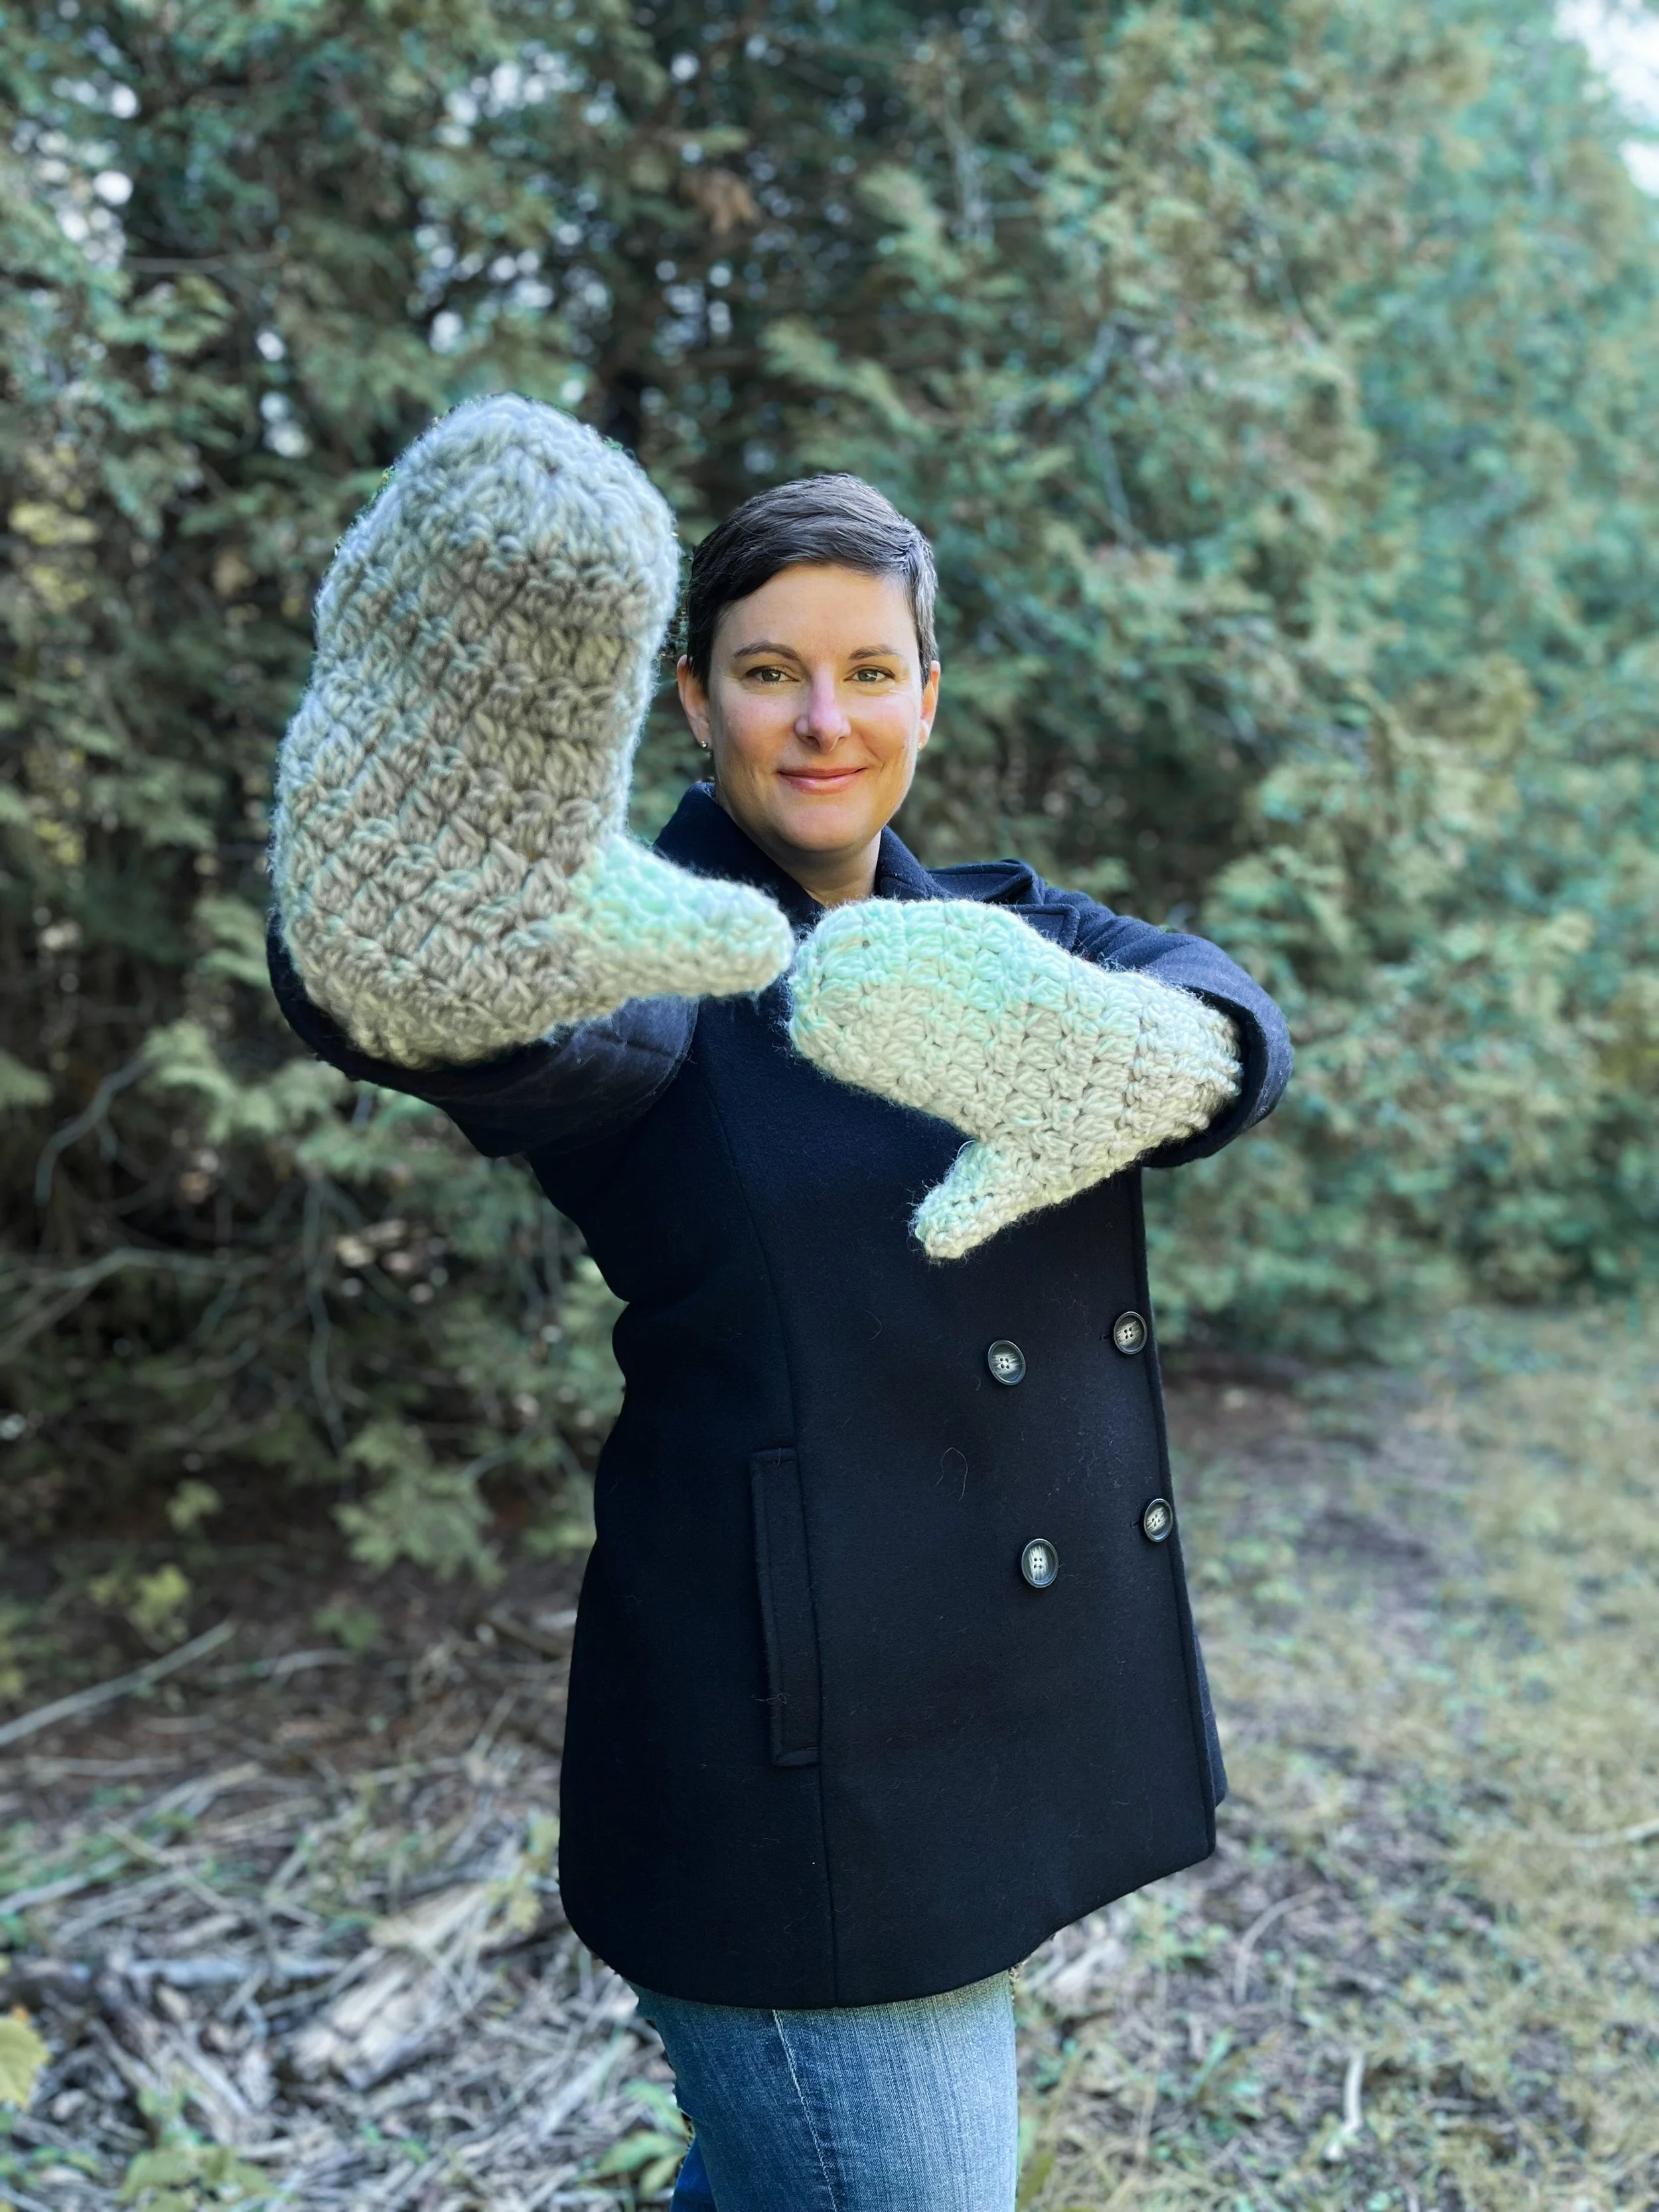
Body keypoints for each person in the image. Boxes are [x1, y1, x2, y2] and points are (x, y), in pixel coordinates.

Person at [266, 396, 1291, 2211]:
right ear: (689, 696)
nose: (825, 721)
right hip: (799, 1767)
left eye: (867, 669)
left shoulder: (1003, 929)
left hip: (997, 1727)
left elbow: (1219, 1006)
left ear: (927, 693)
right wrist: (382, 946)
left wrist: (1158, 1046)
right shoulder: (644, 959)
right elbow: (485, 1021)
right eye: (768, 671)